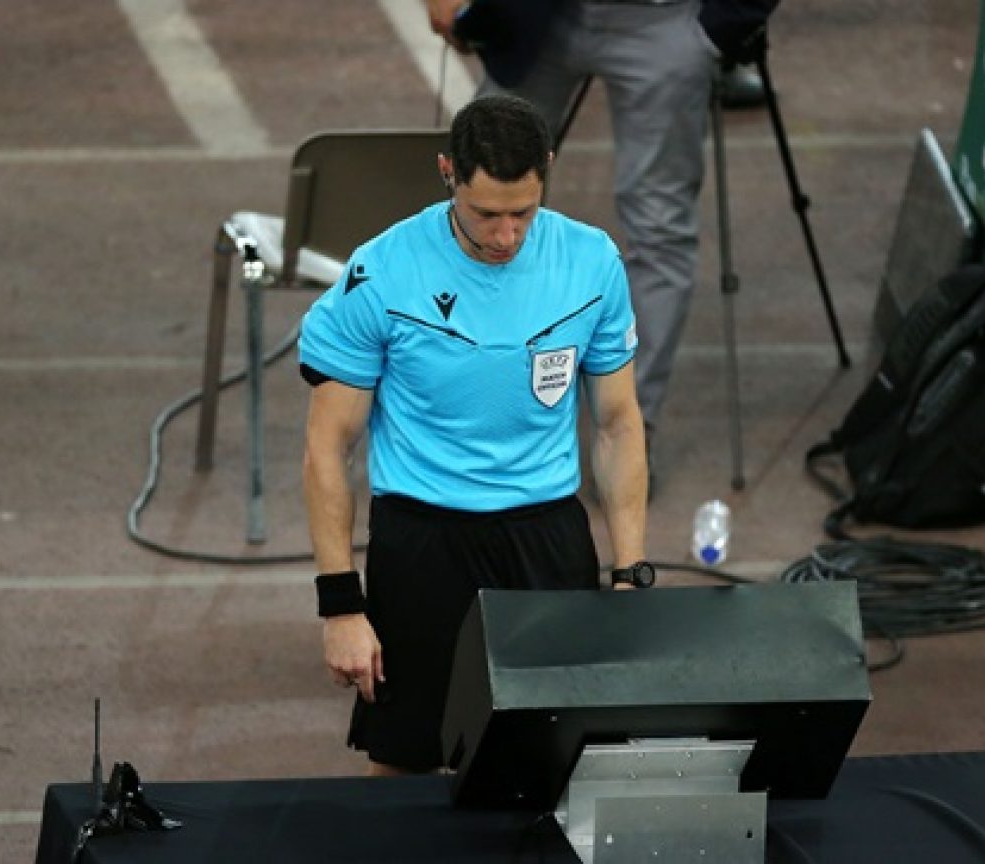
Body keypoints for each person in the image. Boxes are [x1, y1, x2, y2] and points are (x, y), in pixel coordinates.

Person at [298, 94, 652, 776]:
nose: (506, 236)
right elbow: (327, 448)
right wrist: (340, 607)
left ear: (547, 170)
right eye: (486, 213)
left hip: (546, 535)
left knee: (557, 760)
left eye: (524, 212)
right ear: (447, 173)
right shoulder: (382, 273)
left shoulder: (592, 263)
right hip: (423, 542)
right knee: (404, 767)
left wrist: (631, 572)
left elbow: (617, 424)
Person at [427, 0, 717, 449]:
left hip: (668, 21)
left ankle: (627, 433)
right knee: (474, 202)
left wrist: (723, 25)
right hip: (537, 16)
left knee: (660, 229)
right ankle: (469, 407)